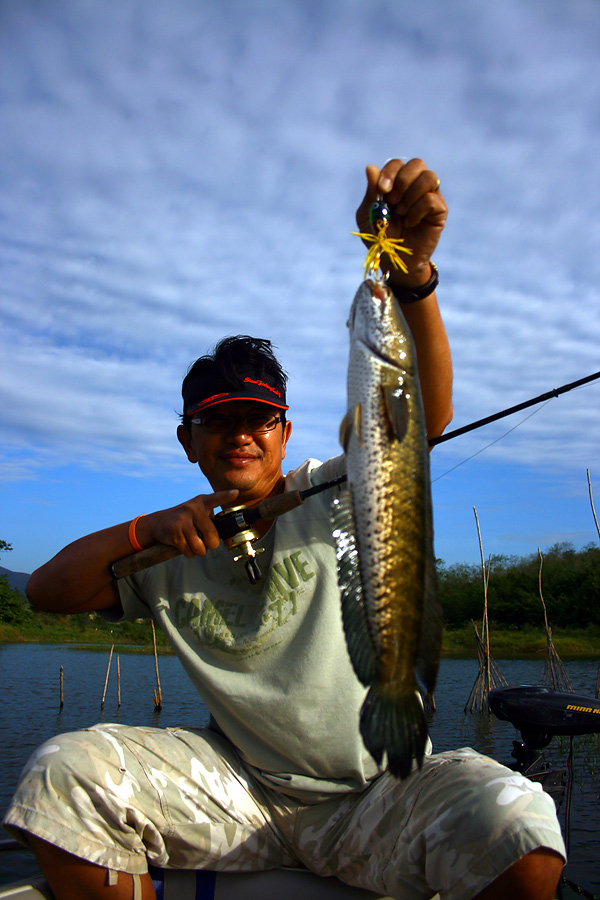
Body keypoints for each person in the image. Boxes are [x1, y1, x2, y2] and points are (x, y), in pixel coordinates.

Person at [3, 159, 565, 900]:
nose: (240, 436)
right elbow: (46, 592)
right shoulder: (170, 544)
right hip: (238, 787)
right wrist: (147, 530)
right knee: (61, 778)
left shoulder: (333, 487)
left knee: (519, 831)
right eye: (218, 421)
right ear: (188, 440)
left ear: (284, 430)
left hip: (377, 791)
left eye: (258, 420)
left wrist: (414, 276)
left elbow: (420, 416)